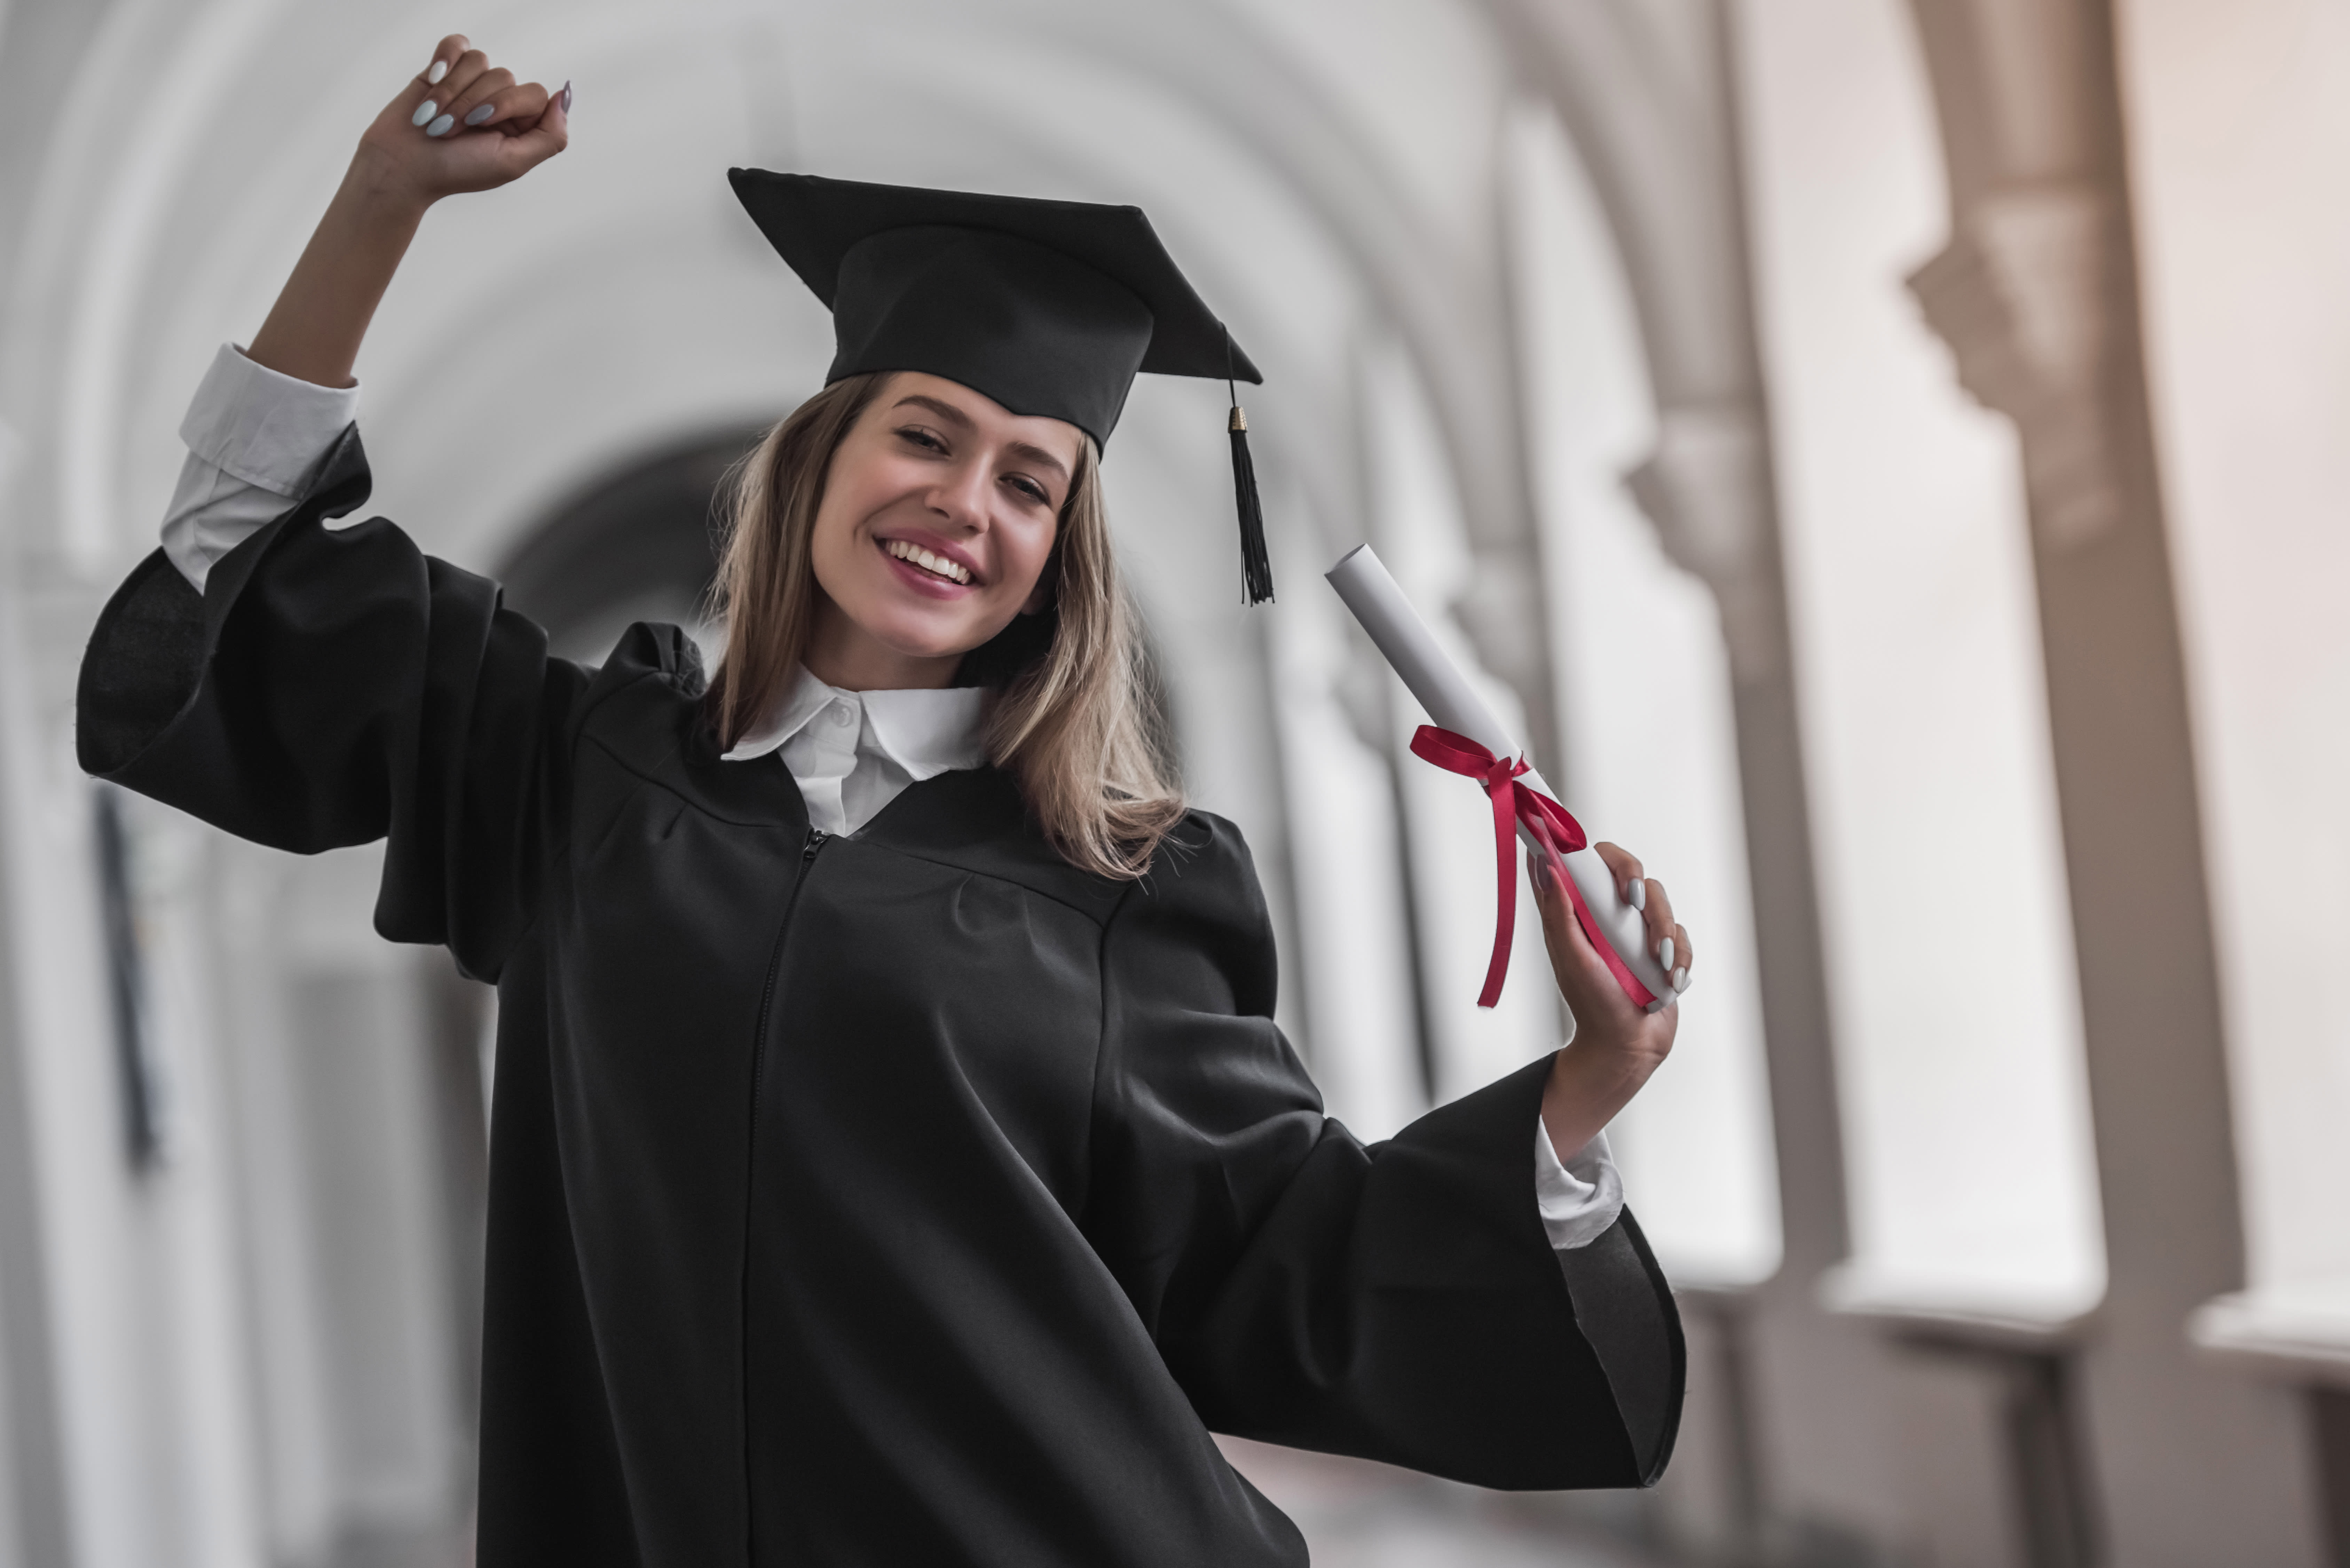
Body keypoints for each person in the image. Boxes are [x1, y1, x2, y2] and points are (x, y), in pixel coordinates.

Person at [77, 35, 1697, 1568]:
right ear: (821, 454)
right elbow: (240, 573)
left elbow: (1283, 1258)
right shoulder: (573, 763)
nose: (960, 502)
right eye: (923, 433)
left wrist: (1582, 1087)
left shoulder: (1127, 886)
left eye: (1026, 478)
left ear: (1063, 548)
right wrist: (378, 208)